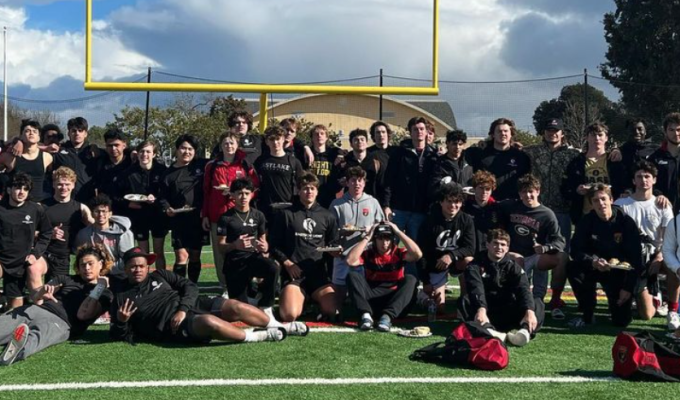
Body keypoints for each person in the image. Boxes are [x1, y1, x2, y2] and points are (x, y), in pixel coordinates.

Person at [109, 247, 296, 345]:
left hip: (189, 305)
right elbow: (118, 335)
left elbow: (190, 286)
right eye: (133, 266)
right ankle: (255, 337)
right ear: (125, 269)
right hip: (171, 325)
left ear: (147, 266)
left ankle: (280, 326)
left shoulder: (159, 275)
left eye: (141, 266)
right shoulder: (120, 297)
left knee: (235, 306)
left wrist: (183, 308)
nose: (138, 270)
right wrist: (121, 321)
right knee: (208, 322)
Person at [0, 244, 113, 366]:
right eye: (82, 264)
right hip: (36, 310)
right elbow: (36, 297)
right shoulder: (65, 279)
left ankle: (15, 351)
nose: (86, 268)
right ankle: (16, 339)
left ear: (101, 264)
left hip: (62, 323)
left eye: (90, 264)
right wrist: (42, 291)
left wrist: (98, 288)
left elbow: (83, 315)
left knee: (39, 337)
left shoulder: (105, 294)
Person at [522, 118, 579, 317]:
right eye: (549, 130)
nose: (552, 133)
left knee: (559, 255)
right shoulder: (532, 151)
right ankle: (530, 296)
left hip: (561, 211)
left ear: (562, 133)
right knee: (533, 252)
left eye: (556, 130)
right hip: (537, 210)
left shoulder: (573, 155)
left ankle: (555, 298)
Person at [568, 184, 643, 328]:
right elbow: (575, 250)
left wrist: (628, 288)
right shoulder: (586, 221)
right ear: (591, 204)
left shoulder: (625, 222)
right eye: (596, 200)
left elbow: (636, 259)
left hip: (618, 272)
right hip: (594, 267)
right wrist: (593, 261)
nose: (600, 203)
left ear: (611, 200)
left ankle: (621, 304)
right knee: (573, 267)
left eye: (603, 199)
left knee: (621, 321)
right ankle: (587, 311)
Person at [269, 172, 339, 322]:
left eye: (312, 188)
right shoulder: (286, 214)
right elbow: (273, 245)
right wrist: (287, 263)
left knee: (333, 311)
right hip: (294, 274)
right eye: (305, 188)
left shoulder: (328, 216)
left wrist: (335, 251)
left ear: (317, 191)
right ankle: (300, 298)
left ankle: (311, 301)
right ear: (298, 191)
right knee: (289, 315)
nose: (309, 192)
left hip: (318, 274)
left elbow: (333, 244)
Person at [457, 229, 543, 347]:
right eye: (495, 243)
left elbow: (523, 288)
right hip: (485, 312)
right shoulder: (474, 265)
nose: (499, 247)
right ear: (488, 245)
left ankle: (524, 332)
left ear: (507, 248)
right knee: (464, 301)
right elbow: (476, 288)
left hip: (507, 309)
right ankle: (490, 332)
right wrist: (481, 308)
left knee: (537, 303)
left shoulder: (513, 266)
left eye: (503, 245)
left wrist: (529, 310)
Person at [615, 161, 676, 327]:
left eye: (647, 176)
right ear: (633, 181)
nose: (644, 180)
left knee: (674, 266)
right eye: (639, 177)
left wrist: (659, 257)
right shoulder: (621, 204)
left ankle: (672, 308)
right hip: (629, 258)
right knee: (641, 314)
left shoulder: (662, 205)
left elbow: (668, 239)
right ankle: (636, 292)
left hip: (654, 256)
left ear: (654, 180)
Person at [500, 174, 567, 315]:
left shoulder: (547, 214)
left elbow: (559, 241)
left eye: (531, 191)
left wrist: (545, 247)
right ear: (519, 193)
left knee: (561, 257)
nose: (528, 195)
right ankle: (516, 300)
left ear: (538, 191)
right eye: (524, 192)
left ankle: (545, 299)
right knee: (517, 260)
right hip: (514, 254)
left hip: (535, 255)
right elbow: (492, 206)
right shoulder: (510, 206)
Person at [216, 178, 281, 317]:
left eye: (247, 193)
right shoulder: (225, 218)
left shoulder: (258, 215)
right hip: (234, 263)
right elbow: (220, 246)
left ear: (252, 194)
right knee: (238, 311)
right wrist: (235, 245)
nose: (243, 197)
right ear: (232, 195)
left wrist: (264, 246)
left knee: (273, 267)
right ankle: (251, 295)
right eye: (239, 193)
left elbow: (264, 243)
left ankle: (266, 304)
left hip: (252, 259)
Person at [202, 132, 259, 290]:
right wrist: (205, 214)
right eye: (226, 143)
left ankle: (246, 285)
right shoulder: (212, 165)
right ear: (221, 146)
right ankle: (225, 287)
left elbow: (255, 187)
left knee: (244, 249)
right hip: (218, 214)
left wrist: (240, 195)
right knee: (221, 253)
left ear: (237, 145)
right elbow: (206, 192)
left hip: (241, 215)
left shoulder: (244, 164)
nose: (229, 146)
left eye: (232, 143)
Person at [382, 116, 438, 273]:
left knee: (414, 249)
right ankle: (385, 277)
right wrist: (386, 205)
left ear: (427, 132)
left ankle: (410, 285)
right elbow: (389, 181)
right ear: (410, 132)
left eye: (421, 129)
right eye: (415, 129)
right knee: (388, 245)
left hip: (420, 211)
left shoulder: (433, 156)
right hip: (398, 209)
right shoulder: (399, 153)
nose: (419, 132)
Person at [345, 222, 421, 331]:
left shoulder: (399, 253)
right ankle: (365, 316)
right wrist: (368, 236)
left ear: (393, 240)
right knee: (352, 276)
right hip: (371, 301)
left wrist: (398, 232)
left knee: (411, 279)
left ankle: (387, 317)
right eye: (380, 238)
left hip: (395, 302)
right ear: (374, 240)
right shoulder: (368, 254)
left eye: (388, 238)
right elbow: (350, 261)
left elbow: (417, 255)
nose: (384, 243)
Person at [329, 166, 384, 310]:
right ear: (347, 183)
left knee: (364, 293)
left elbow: (381, 227)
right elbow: (330, 231)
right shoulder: (337, 204)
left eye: (360, 181)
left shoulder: (373, 202)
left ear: (364, 183)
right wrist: (341, 232)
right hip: (343, 255)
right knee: (337, 300)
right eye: (353, 181)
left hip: (366, 257)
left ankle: (363, 311)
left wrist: (372, 230)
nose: (357, 184)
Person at [418, 183, 476, 312]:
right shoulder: (430, 221)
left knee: (469, 260)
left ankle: (466, 298)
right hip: (435, 265)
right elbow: (421, 253)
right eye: (449, 201)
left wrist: (451, 255)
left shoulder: (466, 220)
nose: (453, 205)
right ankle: (422, 296)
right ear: (441, 202)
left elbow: (470, 248)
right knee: (438, 308)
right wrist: (426, 281)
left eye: (457, 202)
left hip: (455, 262)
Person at [159, 134, 208, 283]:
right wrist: (167, 208)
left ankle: (193, 287)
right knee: (181, 256)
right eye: (183, 148)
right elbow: (162, 197)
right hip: (179, 220)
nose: (186, 152)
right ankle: (179, 289)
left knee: (194, 255)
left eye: (190, 149)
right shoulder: (168, 174)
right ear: (177, 150)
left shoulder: (201, 166)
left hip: (197, 219)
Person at [0, 173, 52, 310]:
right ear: (9, 190)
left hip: (23, 261)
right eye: (17, 188)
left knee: (14, 309)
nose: (21, 192)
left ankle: (40, 320)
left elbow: (47, 232)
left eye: (25, 189)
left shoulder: (35, 209)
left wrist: (36, 254)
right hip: (2, 260)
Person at [562, 122, 626, 225]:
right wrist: (577, 190)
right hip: (585, 216)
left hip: (611, 214)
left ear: (606, 138)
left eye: (600, 135)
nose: (597, 138)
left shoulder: (614, 160)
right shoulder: (577, 162)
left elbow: (623, 185)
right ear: (586, 138)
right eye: (593, 135)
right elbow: (566, 188)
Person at [117, 141, 168, 270]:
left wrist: (156, 199)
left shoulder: (162, 171)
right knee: (143, 254)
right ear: (138, 154)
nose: (144, 154)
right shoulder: (129, 173)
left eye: (148, 152)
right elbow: (119, 195)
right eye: (142, 151)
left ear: (154, 154)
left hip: (158, 216)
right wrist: (129, 203)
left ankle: (162, 279)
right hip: (139, 217)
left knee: (158, 252)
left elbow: (167, 193)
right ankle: (145, 282)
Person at [43, 167, 93, 281]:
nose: (64, 188)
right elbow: (29, 232)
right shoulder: (42, 207)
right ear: (53, 185)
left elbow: (97, 227)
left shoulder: (81, 208)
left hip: (68, 255)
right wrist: (49, 233)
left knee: (61, 291)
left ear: (73, 185)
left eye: (67, 184)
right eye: (60, 184)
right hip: (46, 252)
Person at [465, 118, 531, 201]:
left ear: (511, 134)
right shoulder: (480, 154)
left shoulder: (521, 156)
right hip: (487, 204)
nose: (503, 133)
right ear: (493, 134)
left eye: (506, 131)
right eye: (499, 131)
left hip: (512, 204)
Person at [74, 194, 134, 277]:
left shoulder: (123, 232)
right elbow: (80, 258)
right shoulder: (83, 234)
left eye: (104, 211)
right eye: (97, 211)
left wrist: (105, 270)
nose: (101, 214)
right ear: (91, 214)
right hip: (93, 276)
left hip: (119, 275)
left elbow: (127, 259)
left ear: (110, 214)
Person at [254, 126, 304, 223]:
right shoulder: (260, 161)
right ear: (267, 141)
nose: (275, 142)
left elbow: (301, 185)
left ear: (284, 139)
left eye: (278, 139)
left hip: (287, 207)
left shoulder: (294, 162)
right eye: (271, 139)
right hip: (265, 208)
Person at [0, 119, 53, 202]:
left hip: (37, 205)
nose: (31, 133)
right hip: (14, 205)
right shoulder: (9, 157)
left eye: (35, 131)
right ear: (21, 136)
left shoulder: (47, 157)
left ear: (39, 137)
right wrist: (13, 141)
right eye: (27, 131)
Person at [50, 117, 99, 201]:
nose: (77, 133)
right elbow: (33, 148)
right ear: (68, 133)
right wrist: (19, 142)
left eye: (80, 130)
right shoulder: (59, 151)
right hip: (64, 200)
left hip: (88, 200)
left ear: (85, 133)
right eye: (73, 131)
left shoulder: (94, 152)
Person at [86, 128, 132, 214]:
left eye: (116, 145)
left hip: (129, 211)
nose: (113, 148)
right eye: (110, 145)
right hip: (106, 213)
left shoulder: (132, 162)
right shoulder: (100, 163)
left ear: (124, 145)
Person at [428, 129, 473, 201]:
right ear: (447, 143)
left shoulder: (469, 161)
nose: (457, 147)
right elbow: (434, 188)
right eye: (454, 144)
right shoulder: (439, 163)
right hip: (449, 205)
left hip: (467, 204)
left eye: (460, 144)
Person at [463, 171, 502, 254]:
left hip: (490, 252)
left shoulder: (497, 208)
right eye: (481, 188)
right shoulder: (465, 207)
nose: (484, 192)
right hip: (468, 250)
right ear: (474, 188)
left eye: (487, 189)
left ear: (492, 190)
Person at [648, 113, 680, 213]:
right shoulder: (655, 158)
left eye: (679, 130)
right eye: (671, 130)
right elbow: (648, 182)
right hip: (662, 210)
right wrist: (658, 194)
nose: (676, 133)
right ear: (665, 132)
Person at [307, 124, 344, 208]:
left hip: (329, 197)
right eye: (316, 134)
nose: (319, 136)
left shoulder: (333, 153)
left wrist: (341, 155)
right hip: (310, 197)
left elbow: (345, 152)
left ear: (327, 137)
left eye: (322, 133)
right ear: (312, 138)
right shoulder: (307, 155)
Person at [619, 118, 655, 191]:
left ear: (645, 132)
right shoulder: (620, 152)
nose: (636, 132)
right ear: (627, 132)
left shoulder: (655, 150)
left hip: (650, 194)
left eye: (640, 129)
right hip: (626, 195)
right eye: (632, 129)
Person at [364, 121, 392, 199]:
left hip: (393, 198)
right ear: (373, 136)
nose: (381, 135)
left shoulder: (395, 152)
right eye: (378, 132)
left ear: (387, 134)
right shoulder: (367, 153)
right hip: (372, 197)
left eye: (383, 132)